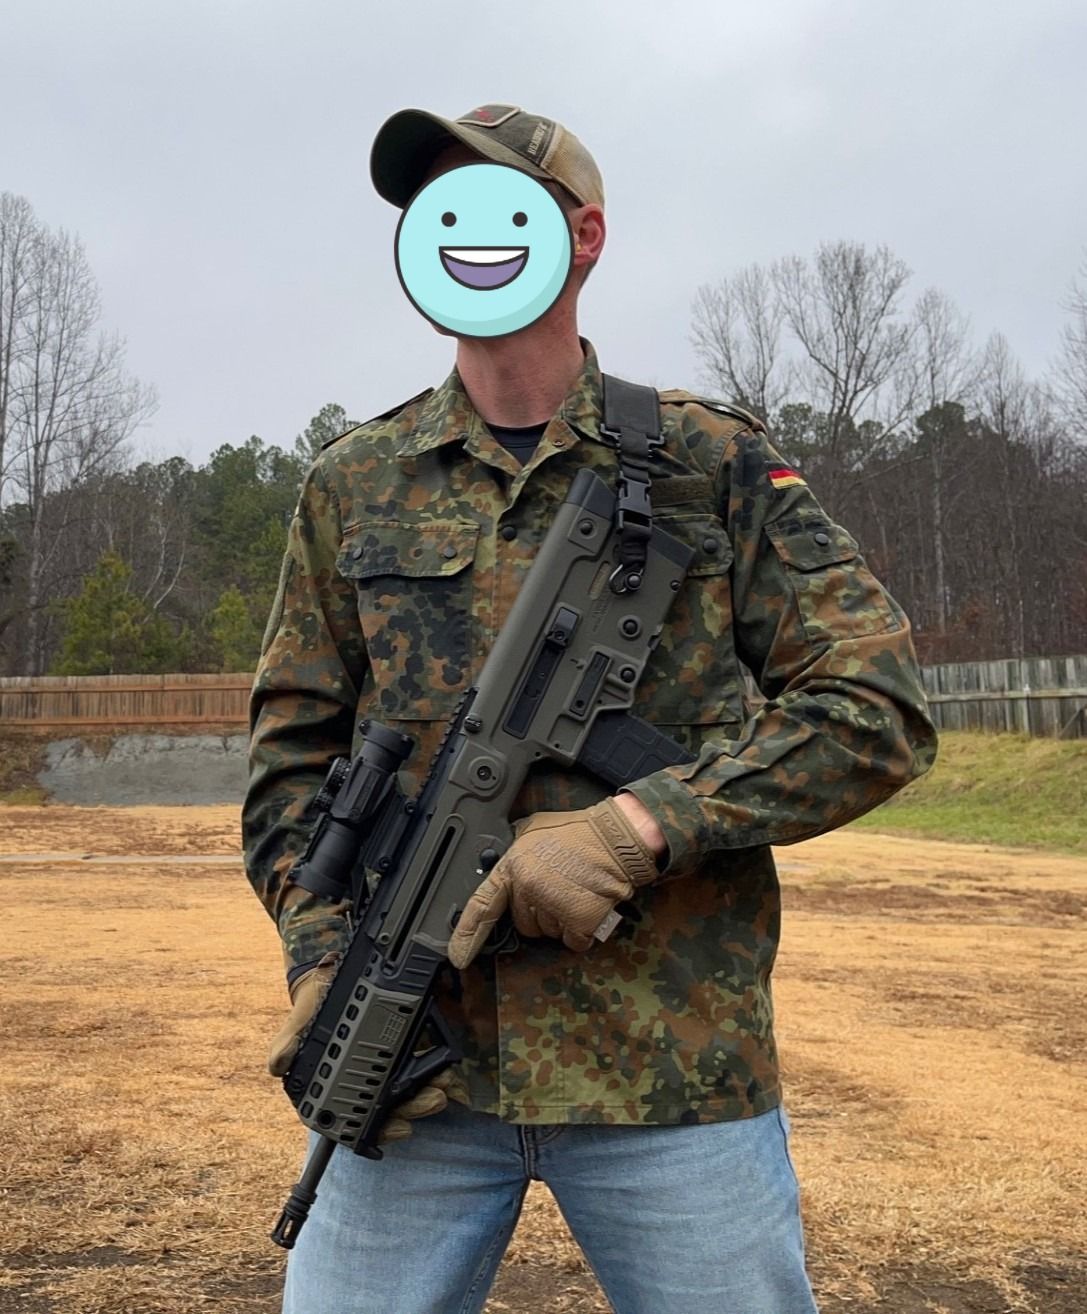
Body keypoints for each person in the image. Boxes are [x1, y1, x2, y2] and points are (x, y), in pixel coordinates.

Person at [243, 103, 937, 1314]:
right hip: (411, 1075)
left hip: (669, 1069)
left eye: (494, 203)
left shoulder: (706, 462)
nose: (463, 232)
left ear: (584, 236)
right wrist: (316, 955)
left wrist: (639, 827)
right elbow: (293, 764)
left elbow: (873, 705)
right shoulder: (353, 483)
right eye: (435, 209)